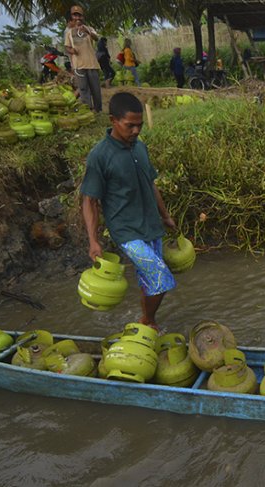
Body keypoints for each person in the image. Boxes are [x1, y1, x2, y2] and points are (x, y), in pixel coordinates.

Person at [80, 92, 177, 331]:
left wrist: (165, 216)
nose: (135, 131)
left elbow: (150, 183)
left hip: (151, 224)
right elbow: (89, 201)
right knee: (159, 277)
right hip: (126, 230)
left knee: (149, 280)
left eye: (139, 125)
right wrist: (93, 241)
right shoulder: (100, 156)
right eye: (129, 125)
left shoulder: (140, 148)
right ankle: (147, 320)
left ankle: (147, 319)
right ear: (113, 120)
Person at [64, 5, 102, 112]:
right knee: (83, 89)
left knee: (95, 89)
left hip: (92, 64)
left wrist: (87, 31)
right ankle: (87, 110)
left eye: (79, 15)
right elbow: (67, 47)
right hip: (78, 65)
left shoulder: (89, 28)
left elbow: (96, 37)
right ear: (71, 16)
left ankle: (98, 110)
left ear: (82, 17)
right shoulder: (69, 33)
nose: (77, 18)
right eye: (75, 15)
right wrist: (72, 51)